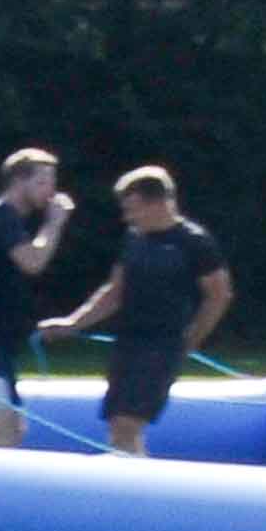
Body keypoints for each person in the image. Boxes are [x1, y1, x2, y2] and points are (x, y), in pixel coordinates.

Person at [55, 166, 232, 453]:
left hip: (162, 344)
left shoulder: (194, 242)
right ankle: (130, 474)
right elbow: (115, 291)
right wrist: (72, 323)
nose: (127, 217)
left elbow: (219, 295)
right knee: (117, 422)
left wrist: (191, 340)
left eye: (133, 209)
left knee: (128, 423)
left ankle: (128, 477)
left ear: (158, 203)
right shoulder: (135, 238)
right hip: (128, 341)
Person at [0, 147, 70, 449]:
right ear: (19, 181)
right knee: (4, 428)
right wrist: (54, 223)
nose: (50, 192)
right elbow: (32, 261)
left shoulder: (13, 220)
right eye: (42, 182)